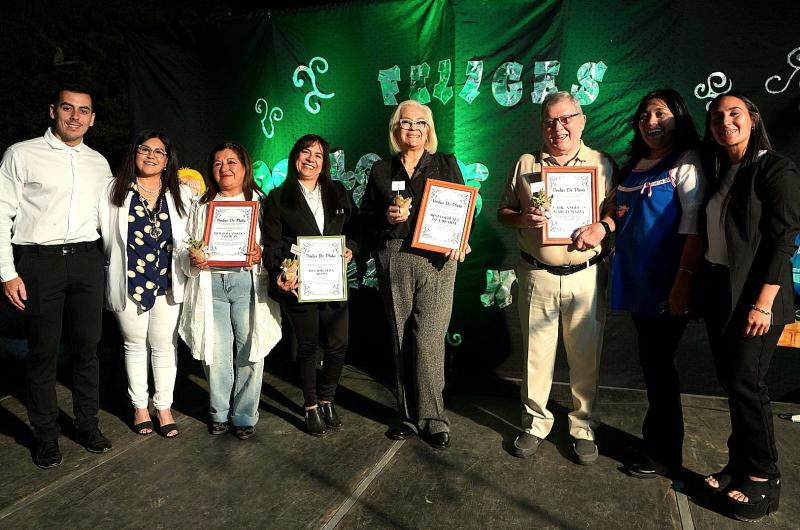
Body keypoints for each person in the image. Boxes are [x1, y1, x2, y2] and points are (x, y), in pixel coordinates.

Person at [497, 91, 615, 464]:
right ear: (542, 126)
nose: (558, 128)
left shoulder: (601, 164)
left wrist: (604, 226)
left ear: (581, 121)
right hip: (537, 274)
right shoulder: (527, 163)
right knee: (535, 357)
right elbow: (504, 211)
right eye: (549, 121)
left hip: (585, 277)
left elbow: (619, 213)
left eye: (566, 119)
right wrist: (521, 218)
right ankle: (535, 422)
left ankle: (582, 426)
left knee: (585, 359)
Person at [0, 85, 113, 468]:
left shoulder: (99, 163)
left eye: (84, 110)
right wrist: (7, 273)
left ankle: (87, 425)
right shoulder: (21, 153)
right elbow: (1, 214)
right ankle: (45, 436)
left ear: (92, 118)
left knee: (87, 350)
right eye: (68, 108)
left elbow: (108, 219)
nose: (75, 116)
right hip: (38, 263)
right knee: (43, 353)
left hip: (86, 259)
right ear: (53, 111)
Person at [700, 93, 800, 521]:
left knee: (747, 383)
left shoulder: (776, 168)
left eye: (735, 113)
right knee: (732, 382)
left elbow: (783, 238)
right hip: (721, 292)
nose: (726, 122)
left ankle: (764, 476)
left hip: (758, 298)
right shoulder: (723, 171)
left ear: (753, 119)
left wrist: (762, 303)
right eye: (718, 117)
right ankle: (738, 465)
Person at [360, 100, 470, 450]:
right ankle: (407, 416)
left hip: (437, 260)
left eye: (420, 123)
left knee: (429, 339)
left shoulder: (445, 164)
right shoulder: (380, 170)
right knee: (399, 337)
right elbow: (364, 219)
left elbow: (463, 210)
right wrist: (386, 220)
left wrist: (462, 240)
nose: (413, 128)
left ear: (429, 129)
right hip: (394, 256)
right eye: (405, 122)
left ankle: (434, 418)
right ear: (396, 129)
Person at [609, 89, 705, 479]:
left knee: (661, 368)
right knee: (653, 365)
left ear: (677, 118)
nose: (651, 121)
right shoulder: (635, 164)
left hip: (668, 285)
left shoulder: (687, 161)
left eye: (660, 113)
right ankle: (656, 442)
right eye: (645, 114)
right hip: (637, 282)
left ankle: (664, 455)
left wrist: (683, 282)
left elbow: (695, 228)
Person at [179, 142, 282, 440]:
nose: (224, 168)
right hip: (211, 284)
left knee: (251, 349)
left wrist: (260, 252)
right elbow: (186, 242)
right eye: (217, 163)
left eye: (231, 162)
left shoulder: (261, 202)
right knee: (216, 351)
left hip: (247, 282)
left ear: (245, 166)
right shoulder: (201, 205)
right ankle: (219, 411)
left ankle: (245, 413)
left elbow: (274, 244)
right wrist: (193, 255)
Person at [98, 130, 192, 437]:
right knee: (135, 345)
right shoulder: (112, 190)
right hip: (129, 280)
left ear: (167, 161)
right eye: (144, 149)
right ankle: (139, 406)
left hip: (167, 280)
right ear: (134, 153)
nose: (151, 155)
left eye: (158, 152)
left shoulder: (182, 193)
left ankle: (163, 407)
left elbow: (191, 237)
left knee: (165, 345)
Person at [263, 134, 355, 436]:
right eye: (305, 152)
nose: (311, 159)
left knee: (338, 343)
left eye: (318, 155)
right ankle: (311, 405)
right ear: (295, 157)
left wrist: (352, 248)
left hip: (333, 282)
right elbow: (273, 244)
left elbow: (356, 230)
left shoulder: (338, 192)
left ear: (325, 163)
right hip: (300, 283)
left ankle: (328, 398)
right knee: (308, 346)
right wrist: (281, 273)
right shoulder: (278, 197)